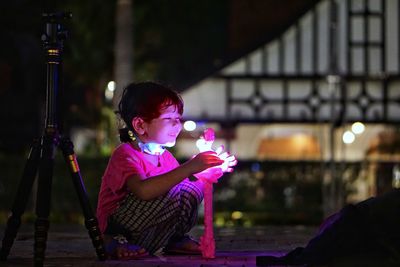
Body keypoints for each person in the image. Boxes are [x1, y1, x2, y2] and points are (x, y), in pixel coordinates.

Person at [96, 81, 237, 260]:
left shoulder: (166, 157)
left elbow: (184, 193)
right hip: (119, 228)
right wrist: (190, 167)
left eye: (178, 119)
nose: (177, 125)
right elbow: (143, 191)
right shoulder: (126, 154)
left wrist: (206, 173)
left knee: (188, 190)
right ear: (140, 125)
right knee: (167, 188)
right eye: (168, 119)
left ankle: (173, 239)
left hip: (149, 232)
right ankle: (114, 241)